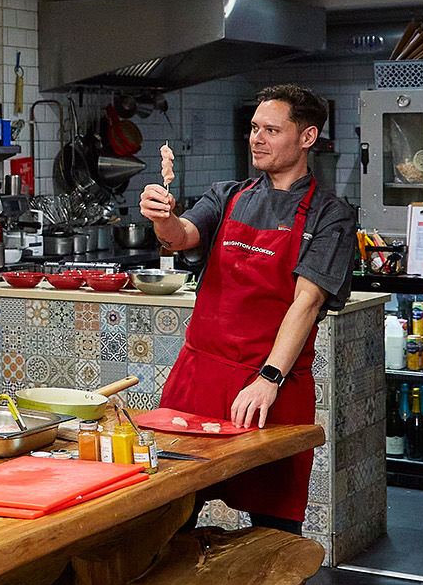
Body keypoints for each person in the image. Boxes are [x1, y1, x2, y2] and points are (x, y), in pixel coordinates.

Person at [138, 84, 357, 524]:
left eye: (271, 130)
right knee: (168, 511)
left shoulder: (330, 214)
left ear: (307, 138)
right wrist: (163, 220)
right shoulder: (228, 194)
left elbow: (306, 302)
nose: (257, 138)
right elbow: (183, 236)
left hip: (269, 387)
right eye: (254, 128)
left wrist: (269, 378)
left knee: (273, 524)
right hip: (198, 379)